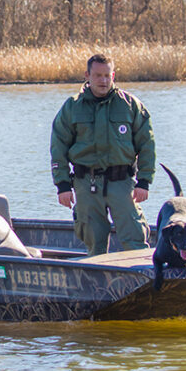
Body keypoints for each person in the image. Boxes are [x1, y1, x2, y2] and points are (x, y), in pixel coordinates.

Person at [50, 54, 156, 255]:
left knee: (135, 239)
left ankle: (142, 281)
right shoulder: (72, 107)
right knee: (94, 244)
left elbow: (147, 145)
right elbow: (58, 148)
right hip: (85, 184)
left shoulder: (130, 105)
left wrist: (144, 181)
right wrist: (62, 185)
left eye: (107, 75)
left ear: (113, 75)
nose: (103, 80)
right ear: (87, 75)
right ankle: (99, 282)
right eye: (98, 75)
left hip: (122, 183)